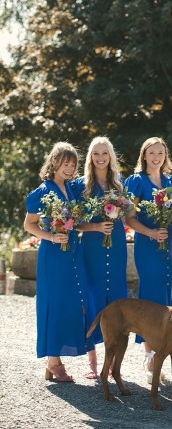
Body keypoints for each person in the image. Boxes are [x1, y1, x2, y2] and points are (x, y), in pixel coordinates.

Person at [24, 142, 94, 381]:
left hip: (73, 253)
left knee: (73, 303)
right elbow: (29, 225)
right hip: (53, 256)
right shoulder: (42, 191)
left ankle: (53, 358)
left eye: (73, 164)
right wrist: (52, 236)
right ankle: (54, 361)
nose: (70, 168)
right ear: (54, 163)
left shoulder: (72, 189)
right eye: (66, 164)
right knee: (54, 305)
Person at [124, 137, 172, 383]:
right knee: (150, 299)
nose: (156, 157)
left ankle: (160, 353)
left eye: (160, 152)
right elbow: (129, 218)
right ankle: (149, 358)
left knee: (166, 299)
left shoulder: (171, 181)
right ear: (144, 156)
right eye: (151, 152)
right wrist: (149, 233)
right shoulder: (136, 181)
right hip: (147, 246)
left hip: (167, 246)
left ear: (165, 155)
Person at [71, 136, 128, 379]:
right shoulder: (79, 186)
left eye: (105, 153)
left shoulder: (120, 184)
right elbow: (72, 223)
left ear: (111, 156)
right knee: (92, 300)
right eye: (96, 154)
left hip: (116, 247)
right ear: (90, 157)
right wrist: (95, 228)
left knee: (116, 301)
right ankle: (93, 364)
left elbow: (128, 214)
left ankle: (114, 365)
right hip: (92, 249)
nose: (101, 158)